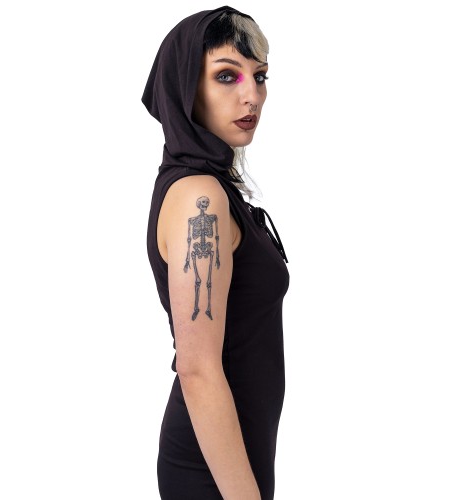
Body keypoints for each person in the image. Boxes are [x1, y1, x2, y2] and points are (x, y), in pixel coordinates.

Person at [142, 6, 289, 500]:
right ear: (185, 87)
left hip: (236, 452)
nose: (252, 95)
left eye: (260, 76)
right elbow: (198, 369)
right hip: (213, 469)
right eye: (227, 76)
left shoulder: (214, 188)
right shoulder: (197, 196)